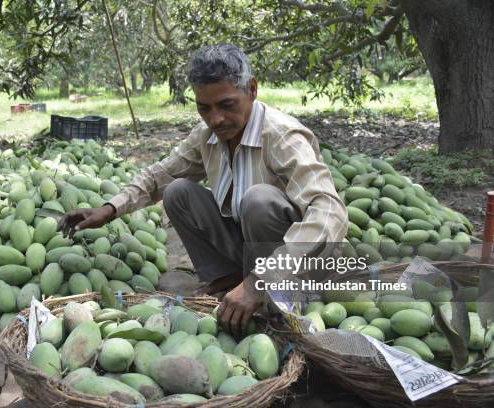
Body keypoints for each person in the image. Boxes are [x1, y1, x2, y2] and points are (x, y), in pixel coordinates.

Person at [58, 43, 348, 336]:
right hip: (252, 254)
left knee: (258, 200)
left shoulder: (281, 136)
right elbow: (161, 174)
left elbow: (329, 211)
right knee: (178, 191)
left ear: (252, 90)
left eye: (226, 105)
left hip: (300, 265)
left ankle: (277, 296)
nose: (215, 119)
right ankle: (231, 280)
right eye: (203, 108)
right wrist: (110, 209)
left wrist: (262, 280)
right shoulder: (208, 135)